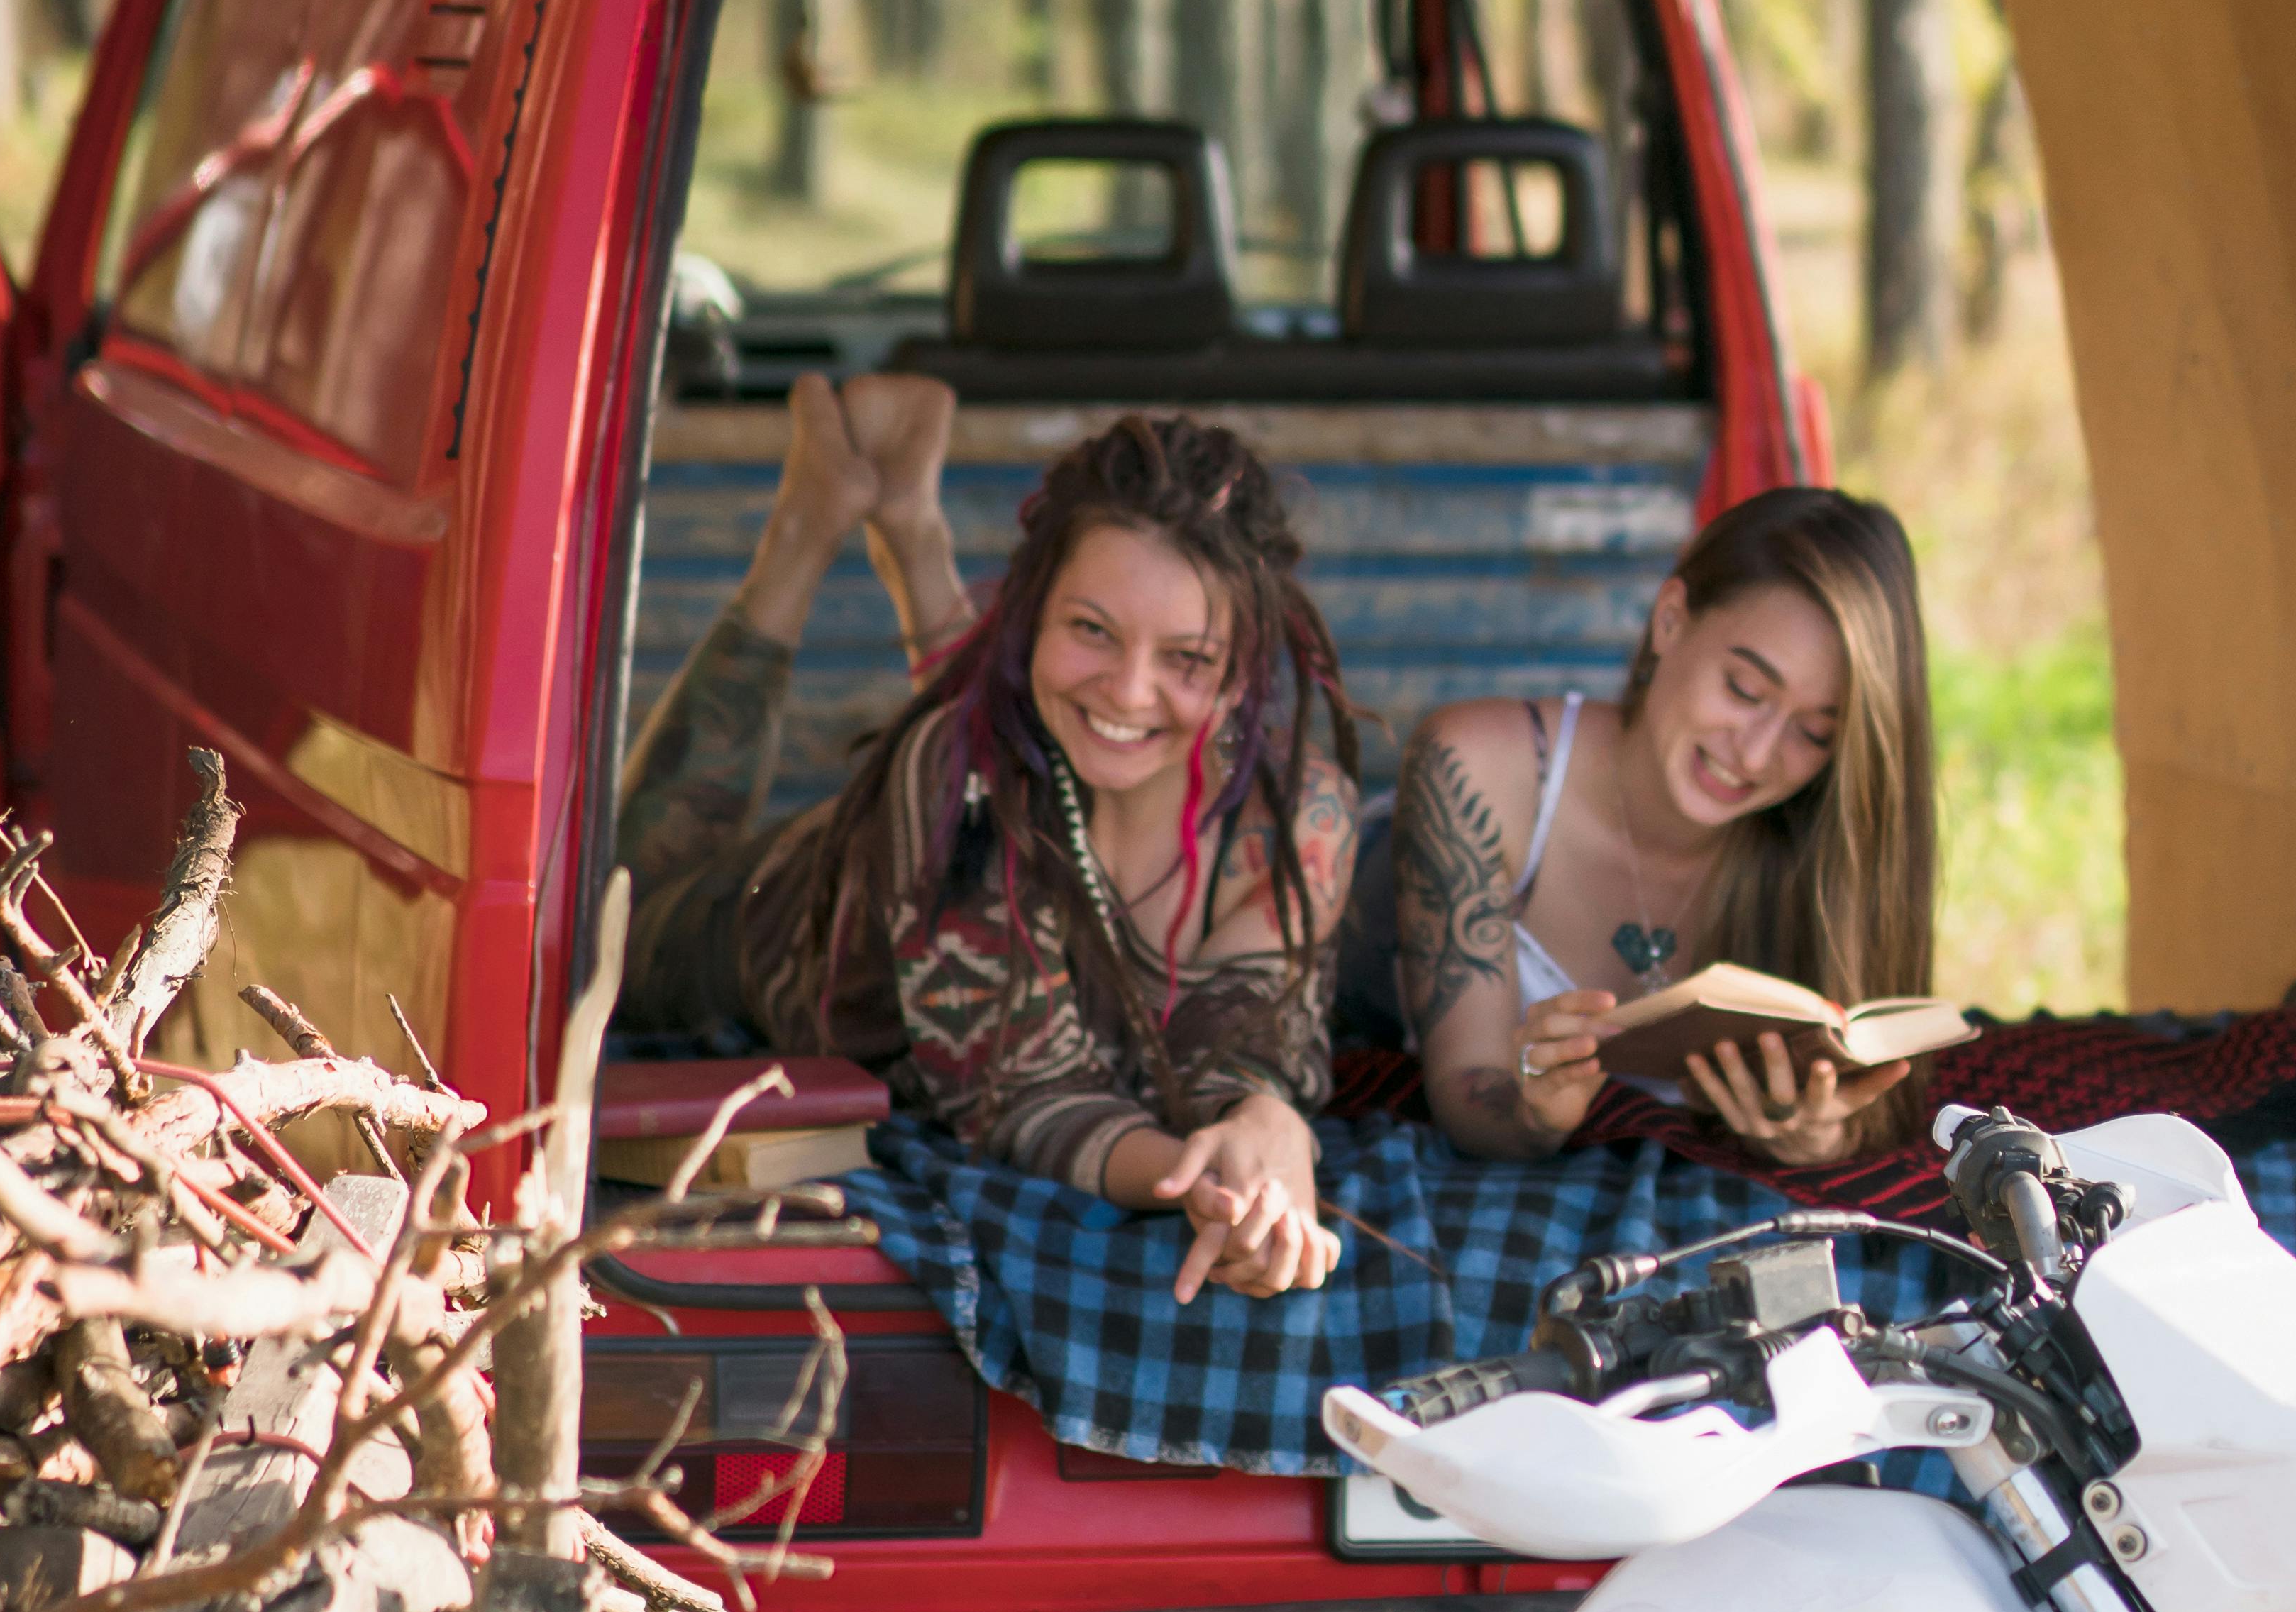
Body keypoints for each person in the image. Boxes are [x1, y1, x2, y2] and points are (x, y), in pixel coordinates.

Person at [618, 381, 1359, 1301]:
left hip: (1002, 785)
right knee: (613, 909)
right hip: (772, 919)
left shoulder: (1299, 821)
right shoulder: (947, 777)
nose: (1132, 690)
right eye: (1091, 628)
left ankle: (912, 532)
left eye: (1187, 658)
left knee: (1042, 728)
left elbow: (1243, 1047)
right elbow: (1027, 1097)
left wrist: (1269, 1125)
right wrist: (1210, 1187)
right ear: (1031, 612)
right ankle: (805, 531)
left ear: (1244, 671)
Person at [1391, 485, 1936, 1176]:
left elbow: (1874, 1101)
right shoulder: (1481, 767)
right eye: (1743, 689)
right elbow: (1465, 1089)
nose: (1757, 754)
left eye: (1814, 732)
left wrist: (1814, 1141)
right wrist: (1529, 1113)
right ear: (1671, 619)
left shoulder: (1823, 841)